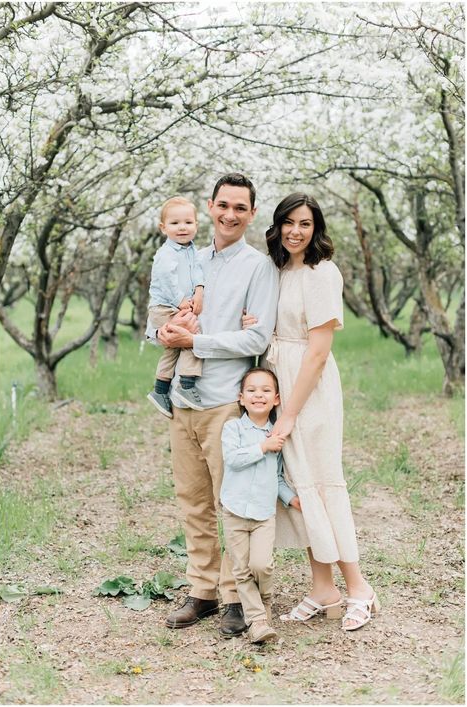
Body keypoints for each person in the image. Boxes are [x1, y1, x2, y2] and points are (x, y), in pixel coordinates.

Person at [154, 174, 279, 637]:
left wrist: (197, 341)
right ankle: (202, 590)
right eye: (222, 205)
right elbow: (167, 309)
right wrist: (165, 333)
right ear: (209, 206)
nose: (229, 214)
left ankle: (235, 596)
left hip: (226, 402)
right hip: (184, 402)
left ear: (251, 213)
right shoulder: (187, 256)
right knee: (192, 501)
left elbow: (256, 336)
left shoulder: (258, 267)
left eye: (239, 208)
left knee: (233, 504)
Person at [249, 192, 379, 631]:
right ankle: (323, 588)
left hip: (310, 387)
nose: (296, 231)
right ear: (277, 225)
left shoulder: (323, 273)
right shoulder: (280, 269)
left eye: (305, 223)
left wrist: (288, 415)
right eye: (288, 222)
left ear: (316, 227)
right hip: (280, 381)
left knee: (322, 484)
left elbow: (319, 352)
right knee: (299, 487)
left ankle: (358, 587)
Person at [220, 367, 300, 643]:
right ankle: (257, 620)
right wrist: (262, 448)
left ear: (276, 399)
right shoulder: (233, 429)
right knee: (241, 570)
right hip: (234, 511)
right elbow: (233, 459)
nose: (258, 395)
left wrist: (291, 498)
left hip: (264, 514)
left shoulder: (276, 435)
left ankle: (264, 600)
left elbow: (276, 477)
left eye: (265, 390)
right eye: (251, 390)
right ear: (241, 398)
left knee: (262, 565)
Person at [146, 196, 205, 417]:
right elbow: (166, 279)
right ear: (163, 228)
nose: (182, 228)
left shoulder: (191, 250)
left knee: (173, 347)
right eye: (175, 223)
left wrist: (199, 289)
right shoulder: (166, 253)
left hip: (175, 306)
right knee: (192, 339)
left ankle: (160, 391)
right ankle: (186, 386)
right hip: (164, 306)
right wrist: (181, 301)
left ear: (196, 225)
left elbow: (198, 271)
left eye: (188, 222)